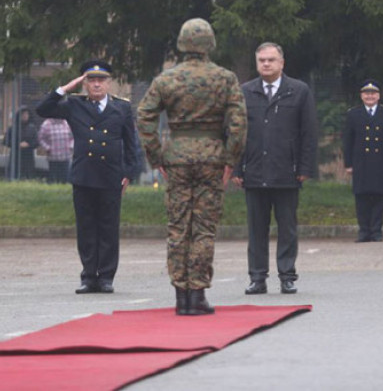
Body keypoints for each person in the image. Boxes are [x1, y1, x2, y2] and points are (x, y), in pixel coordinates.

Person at [137, 18, 247, 316]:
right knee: (203, 227)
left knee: (178, 225)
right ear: (210, 44)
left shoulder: (167, 79)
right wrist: (230, 159)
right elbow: (238, 123)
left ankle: (180, 296)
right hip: (212, 157)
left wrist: (156, 156)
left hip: (177, 158)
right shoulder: (225, 78)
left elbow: (144, 116)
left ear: (182, 44)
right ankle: (197, 295)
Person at [36, 60, 141, 294]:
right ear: (84, 83)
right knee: (86, 228)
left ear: (108, 82)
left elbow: (130, 143)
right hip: (84, 175)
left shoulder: (122, 108)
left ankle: (105, 277)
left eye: (100, 80)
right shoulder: (74, 104)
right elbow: (42, 109)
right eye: (91, 80)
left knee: (108, 227)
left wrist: (129, 172)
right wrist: (65, 88)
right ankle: (88, 276)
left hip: (111, 175)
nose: (96, 84)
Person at [233, 42, 317, 296]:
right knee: (256, 229)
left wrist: (304, 167)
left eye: (271, 60)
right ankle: (257, 278)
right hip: (255, 171)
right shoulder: (245, 91)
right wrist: (237, 168)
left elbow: (308, 133)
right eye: (261, 60)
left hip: (286, 171)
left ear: (282, 63)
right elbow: (236, 132)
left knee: (287, 228)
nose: (266, 64)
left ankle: (287, 276)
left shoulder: (299, 91)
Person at [343, 80, 383, 242]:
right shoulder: (353, 114)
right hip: (360, 163)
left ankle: (376, 231)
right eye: (366, 93)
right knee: (361, 197)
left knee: (379, 197)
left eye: (373, 93)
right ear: (361, 96)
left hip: (381, 163)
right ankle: (364, 231)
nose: (370, 96)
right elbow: (348, 141)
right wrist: (348, 164)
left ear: (378, 96)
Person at [4, 107, 39, 180]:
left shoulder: (32, 128)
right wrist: (17, 145)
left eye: (26, 114)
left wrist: (28, 144)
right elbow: (6, 141)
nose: (25, 116)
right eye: (23, 114)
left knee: (28, 177)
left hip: (28, 156)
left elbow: (37, 142)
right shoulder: (13, 128)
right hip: (15, 156)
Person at [38, 117, 74, 184]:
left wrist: (71, 146)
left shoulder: (67, 123)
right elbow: (40, 138)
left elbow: (73, 136)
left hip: (65, 157)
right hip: (53, 157)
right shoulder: (46, 124)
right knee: (53, 179)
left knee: (65, 178)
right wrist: (47, 148)